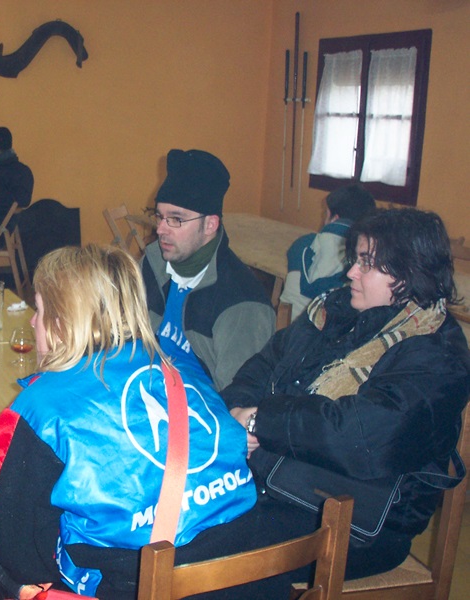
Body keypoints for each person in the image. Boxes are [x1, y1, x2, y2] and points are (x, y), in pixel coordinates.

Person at [0, 244, 257, 599]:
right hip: (245, 574)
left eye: (40, 309)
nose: (33, 321)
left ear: (63, 322)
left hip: (135, 587)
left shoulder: (42, 407)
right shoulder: (180, 369)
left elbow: (16, 548)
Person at [223, 208, 470, 581]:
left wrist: (261, 422)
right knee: (173, 514)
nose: (351, 272)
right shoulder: (334, 311)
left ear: (408, 273)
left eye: (367, 263)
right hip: (280, 480)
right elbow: (265, 364)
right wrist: (236, 411)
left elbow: (360, 437)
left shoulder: (436, 355)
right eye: (356, 259)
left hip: (358, 522)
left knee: (211, 556)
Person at [141, 149, 275, 391]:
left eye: (176, 219)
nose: (160, 229)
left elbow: (238, 398)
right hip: (145, 384)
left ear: (210, 225)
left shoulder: (243, 304)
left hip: (198, 409)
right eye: (159, 216)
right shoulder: (153, 263)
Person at [279, 184, 376, 319]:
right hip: (328, 328)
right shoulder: (365, 256)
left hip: (287, 323)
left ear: (334, 218)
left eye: (325, 214)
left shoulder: (302, 244)